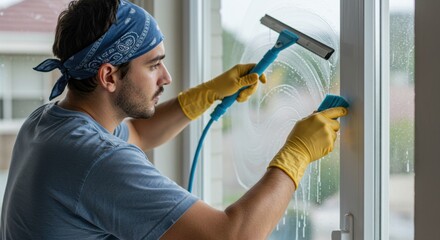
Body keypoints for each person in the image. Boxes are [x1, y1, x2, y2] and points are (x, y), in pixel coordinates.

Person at [0, 0, 348, 239]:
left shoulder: (49, 122)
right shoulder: (96, 160)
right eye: (153, 65)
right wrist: (297, 153)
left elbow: (135, 133)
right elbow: (232, 235)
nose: (166, 77)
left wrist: (206, 94)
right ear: (108, 76)